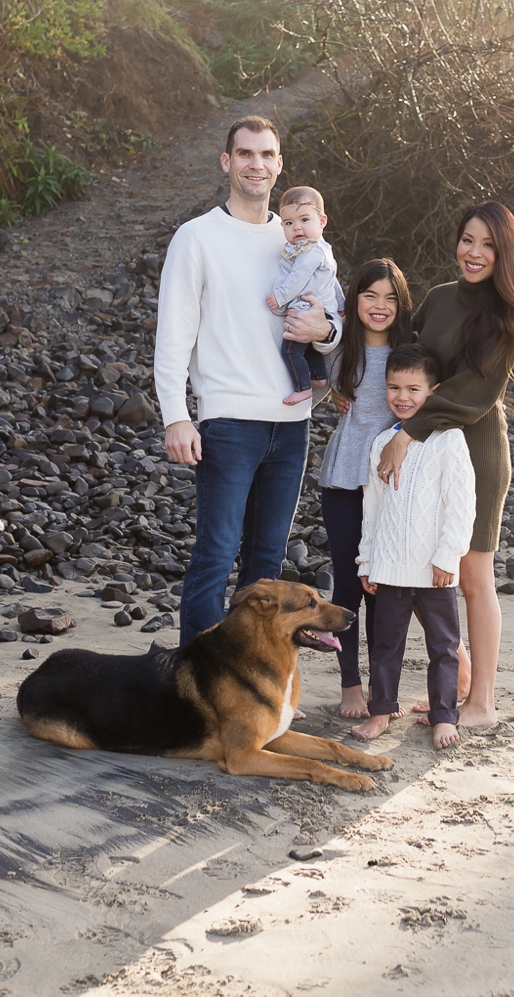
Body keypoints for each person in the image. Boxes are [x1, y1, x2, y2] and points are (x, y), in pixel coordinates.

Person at [155, 115, 339, 645]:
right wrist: (176, 417)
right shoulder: (197, 237)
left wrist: (327, 333)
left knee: (267, 562)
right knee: (215, 554)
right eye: (245, 154)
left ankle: (256, 675)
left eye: (265, 155)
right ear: (227, 162)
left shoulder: (301, 237)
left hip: (293, 424)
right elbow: (173, 337)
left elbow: (334, 320)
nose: (255, 164)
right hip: (229, 422)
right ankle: (197, 677)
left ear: (279, 165)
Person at [375, 201, 514, 729]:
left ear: (504, 253)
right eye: (468, 239)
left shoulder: (505, 314)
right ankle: (461, 679)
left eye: (488, 244)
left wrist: (407, 432)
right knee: (417, 566)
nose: (474, 252)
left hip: (475, 452)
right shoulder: (440, 298)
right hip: (425, 451)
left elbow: (472, 392)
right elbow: (403, 359)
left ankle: (482, 703)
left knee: (472, 577)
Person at [350, 344, 471, 751]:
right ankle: (381, 711)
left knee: (444, 647)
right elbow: (372, 508)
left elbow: (461, 505)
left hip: (435, 569)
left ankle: (444, 716)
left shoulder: (450, 440)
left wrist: (448, 556)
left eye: (413, 389)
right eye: (394, 387)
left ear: (433, 392)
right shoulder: (383, 443)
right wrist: (367, 560)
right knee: (385, 645)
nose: (402, 397)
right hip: (389, 567)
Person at [313, 258, 413, 718]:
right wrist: (327, 394)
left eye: (390, 298)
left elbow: (431, 398)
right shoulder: (338, 346)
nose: (380, 305)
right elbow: (306, 365)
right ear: (354, 300)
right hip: (345, 476)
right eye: (370, 295)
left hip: (391, 479)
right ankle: (350, 682)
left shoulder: (409, 352)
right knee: (349, 582)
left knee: (385, 586)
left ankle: (381, 684)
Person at [264, 185, 342, 406]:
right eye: (289, 223)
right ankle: (318, 377)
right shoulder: (324, 249)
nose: (297, 227)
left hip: (306, 310)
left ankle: (303, 388)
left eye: (304, 220)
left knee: (291, 351)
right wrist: (341, 304)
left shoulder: (310, 251)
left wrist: (280, 297)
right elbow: (333, 281)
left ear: (322, 221)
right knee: (308, 345)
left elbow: (297, 278)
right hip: (321, 310)